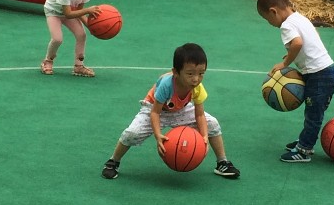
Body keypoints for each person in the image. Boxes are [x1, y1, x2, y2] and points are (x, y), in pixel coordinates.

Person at [101, 42, 240, 180]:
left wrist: (204, 136)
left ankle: (222, 162)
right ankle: (113, 161)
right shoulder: (167, 84)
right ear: (176, 72)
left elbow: (199, 114)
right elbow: (155, 112)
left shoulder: (197, 87)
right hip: (155, 109)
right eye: (190, 73)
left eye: (201, 73)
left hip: (181, 109)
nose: (196, 79)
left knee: (212, 124)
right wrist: (158, 135)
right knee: (132, 133)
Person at [256, 0, 334, 164]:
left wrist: (285, 63)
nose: (270, 23)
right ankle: (305, 139)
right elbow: (313, 36)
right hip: (325, 71)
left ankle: (304, 150)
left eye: (267, 19)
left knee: (313, 114)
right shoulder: (299, 17)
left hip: (318, 74)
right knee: (312, 111)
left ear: (273, 11)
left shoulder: (286, 26)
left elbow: (298, 43)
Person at [42, 0, 100, 76]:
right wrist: (88, 10)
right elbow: (68, 14)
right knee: (57, 39)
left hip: (69, 12)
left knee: (81, 35)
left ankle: (79, 66)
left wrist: (91, 27)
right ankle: (47, 61)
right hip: (53, 12)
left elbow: (79, 11)